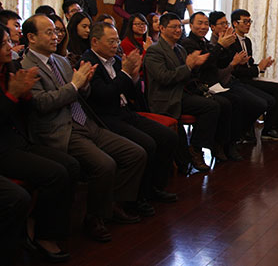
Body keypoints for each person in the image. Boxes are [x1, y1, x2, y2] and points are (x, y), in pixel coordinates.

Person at [21, 14, 147, 243]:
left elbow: (81, 93)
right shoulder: (25, 66)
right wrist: (75, 84)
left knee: (135, 153)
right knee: (105, 165)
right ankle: (94, 218)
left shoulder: (60, 61)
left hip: (86, 122)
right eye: (49, 32)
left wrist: (84, 84)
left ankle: (114, 204)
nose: (56, 36)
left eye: (56, 31)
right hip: (61, 129)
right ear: (31, 37)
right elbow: (42, 104)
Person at [81, 23, 178, 214]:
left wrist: (133, 77)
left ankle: (154, 187)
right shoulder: (88, 63)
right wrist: (126, 73)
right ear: (95, 41)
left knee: (168, 137)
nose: (116, 45)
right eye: (111, 41)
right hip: (105, 117)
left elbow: (131, 93)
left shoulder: (116, 60)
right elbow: (105, 95)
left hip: (125, 112)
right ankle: (135, 198)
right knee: (147, 144)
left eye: (117, 40)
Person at [1, 24, 78, 263]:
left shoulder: (12, 68)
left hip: (20, 139)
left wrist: (24, 96)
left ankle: (43, 226)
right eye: (3, 44)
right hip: (3, 147)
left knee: (70, 165)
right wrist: (13, 95)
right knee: (55, 173)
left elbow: (27, 109)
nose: (10, 47)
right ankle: (42, 236)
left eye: (8, 41)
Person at [181, 12, 267, 160]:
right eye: (200, 23)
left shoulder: (205, 43)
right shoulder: (188, 43)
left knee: (237, 101)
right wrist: (220, 47)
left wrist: (225, 49)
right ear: (191, 25)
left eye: (205, 23)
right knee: (226, 103)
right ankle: (214, 145)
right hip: (198, 87)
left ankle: (229, 143)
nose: (203, 27)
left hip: (214, 84)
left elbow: (220, 64)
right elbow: (204, 66)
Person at [144, 13, 220, 171]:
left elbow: (187, 75)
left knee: (214, 104)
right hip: (166, 97)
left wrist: (195, 66)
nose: (178, 30)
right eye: (174, 27)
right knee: (210, 107)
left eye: (179, 26)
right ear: (162, 28)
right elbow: (164, 77)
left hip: (182, 93)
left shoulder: (179, 49)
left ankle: (196, 147)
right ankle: (193, 151)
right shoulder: (154, 51)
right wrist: (189, 66)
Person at [229, 9, 278, 140]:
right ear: (235, 23)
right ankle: (269, 129)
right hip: (240, 80)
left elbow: (249, 65)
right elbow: (236, 71)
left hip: (250, 77)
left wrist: (262, 66)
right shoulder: (230, 42)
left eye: (249, 21)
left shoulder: (247, 41)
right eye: (245, 22)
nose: (248, 24)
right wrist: (258, 68)